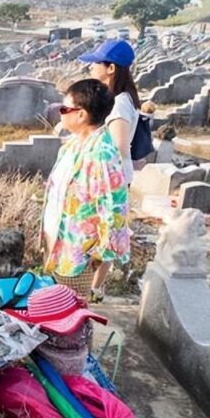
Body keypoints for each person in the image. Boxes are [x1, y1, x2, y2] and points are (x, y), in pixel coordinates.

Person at [42, 79, 129, 302]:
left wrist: (102, 251)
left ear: (81, 114)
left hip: (78, 252)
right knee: (53, 310)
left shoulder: (102, 152)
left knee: (71, 315)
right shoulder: (73, 144)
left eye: (64, 109)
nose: (61, 113)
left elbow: (115, 205)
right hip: (59, 245)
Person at [80, 39, 140, 185]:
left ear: (111, 68)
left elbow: (119, 147)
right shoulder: (114, 98)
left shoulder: (120, 103)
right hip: (106, 177)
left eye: (97, 62)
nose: (91, 67)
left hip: (110, 180)